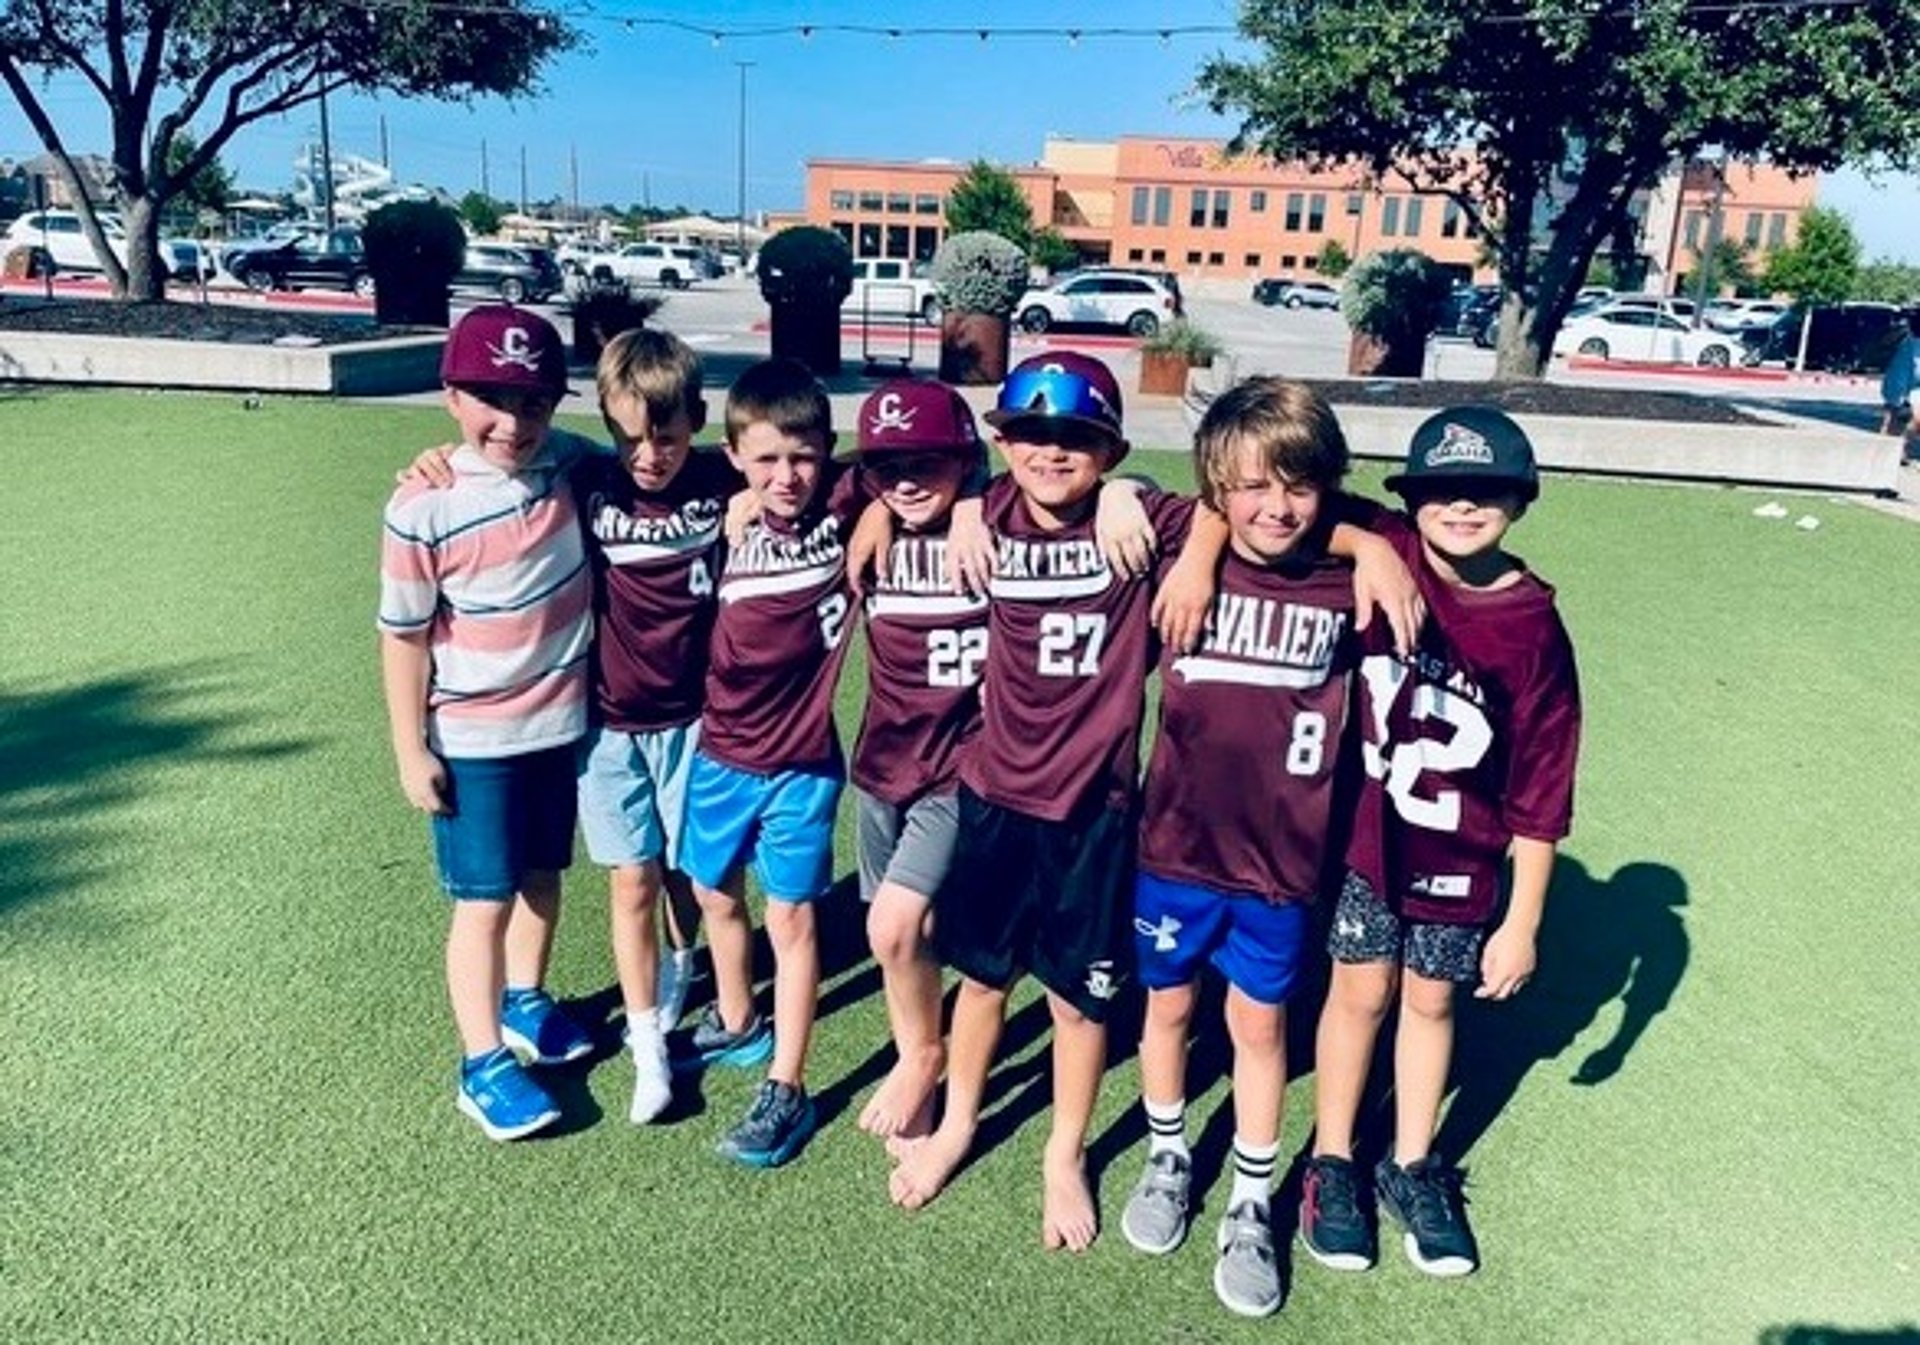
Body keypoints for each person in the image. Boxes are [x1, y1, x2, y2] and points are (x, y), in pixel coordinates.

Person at [888, 352, 1194, 1251]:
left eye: (1077, 439)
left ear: (1110, 447)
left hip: (1093, 809)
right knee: (982, 980)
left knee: (1077, 1001)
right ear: (1001, 443)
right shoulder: (984, 513)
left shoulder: (1136, 520)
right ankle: (958, 1122)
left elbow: (1227, 512)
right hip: (992, 794)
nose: (1052, 452)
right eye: (1032, 434)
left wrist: (1129, 492)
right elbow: (883, 485)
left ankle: (1065, 1149)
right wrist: (976, 503)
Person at [1297, 405, 1582, 1279]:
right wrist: (1376, 550)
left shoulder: (1535, 626)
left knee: (1429, 1001)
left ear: (1520, 501)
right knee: (1360, 993)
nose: (1461, 507)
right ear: (1412, 499)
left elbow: (1543, 790)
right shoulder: (1391, 542)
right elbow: (1306, 509)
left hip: (1462, 852)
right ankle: (1334, 1159)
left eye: (1485, 491)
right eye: (1442, 491)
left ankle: (1413, 1160)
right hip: (1368, 840)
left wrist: (1523, 919)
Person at [1119, 379, 1361, 1317]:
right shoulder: (1187, 540)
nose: (1276, 507)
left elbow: (1368, 521)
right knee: (1168, 1012)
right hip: (1175, 848)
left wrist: (1369, 543)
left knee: (1259, 1028)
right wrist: (1198, 545)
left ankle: (1253, 1198)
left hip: (1279, 865)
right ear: (1217, 491)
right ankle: (1168, 1151)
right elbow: (1119, 488)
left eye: (1297, 486)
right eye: (1250, 488)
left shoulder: (1346, 563)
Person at [377, 305, 596, 1142]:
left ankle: (525, 1001)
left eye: (534, 402)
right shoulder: (420, 505)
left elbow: (655, 465)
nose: (512, 423)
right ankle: (481, 1061)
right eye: (490, 401)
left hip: (561, 725)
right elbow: (401, 636)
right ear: (450, 397)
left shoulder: (567, 462)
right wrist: (409, 748)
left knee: (544, 876)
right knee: (483, 901)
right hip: (474, 742)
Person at [673, 357, 865, 1168]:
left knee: (790, 919)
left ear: (827, 452)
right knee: (713, 893)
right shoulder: (715, 516)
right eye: (767, 459)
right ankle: (738, 1018)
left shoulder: (851, 500)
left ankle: (787, 1084)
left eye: (804, 457)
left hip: (802, 763)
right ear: (734, 457)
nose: (787, 476)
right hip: (719, 754)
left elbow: (952, 465)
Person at [571, 329, 736, 1124]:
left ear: (697, 422)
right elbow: (507, 459)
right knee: (631, 876)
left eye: (665, 438)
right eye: (629, 435)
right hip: (606, 726)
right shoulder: (588, 478)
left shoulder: (719, 476)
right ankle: (649, 1050)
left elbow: (825, 469)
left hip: (698, 719)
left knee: (687, 871)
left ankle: (682, 962)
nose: (647, 456)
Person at [845, 378, 992, 1145]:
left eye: (928, 463)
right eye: (886, 467)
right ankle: (919, 1056)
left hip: (958, 766)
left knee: (893, 927)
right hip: (882, 763)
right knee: (907, 930)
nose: (905, 480)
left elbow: (1109, 489)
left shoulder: (997, 522)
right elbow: (770, 477)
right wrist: (870, 506)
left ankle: (924, 1055)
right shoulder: (866, 510)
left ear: (965, 459)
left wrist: (972, 501)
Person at [1878, 311, 1920, 460]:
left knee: (1898, 424)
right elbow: (1905, 373)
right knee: (1896, 424)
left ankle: (1894, 452)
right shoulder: (1912, 347)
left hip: (1903, 391)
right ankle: (1890, 453)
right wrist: (1900, 400)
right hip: (1903, 392)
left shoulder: (1908, 344)